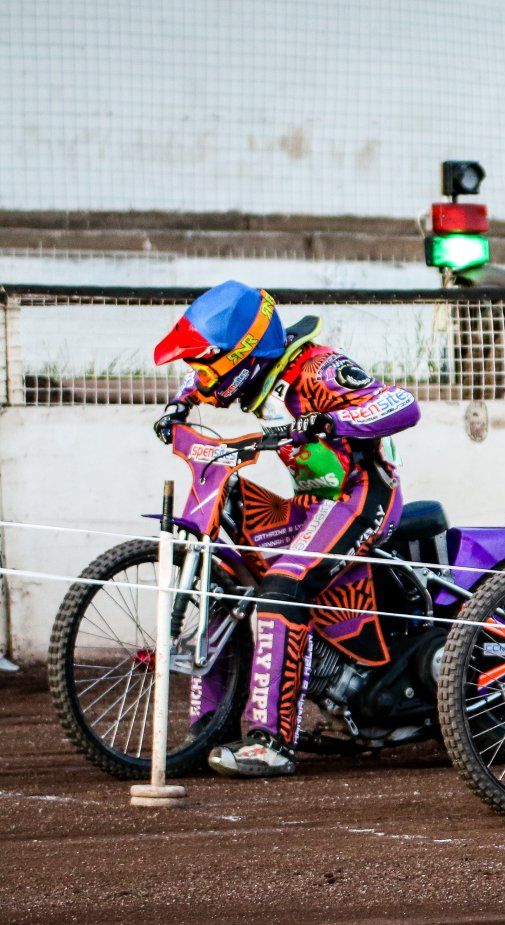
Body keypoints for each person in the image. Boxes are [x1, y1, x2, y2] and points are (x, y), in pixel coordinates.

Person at [151, 280, 419, 779]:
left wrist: (331, 422)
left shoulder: (319, 369)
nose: (203, 376)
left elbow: (401, 404)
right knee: (222, 575)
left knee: (282, 588)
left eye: (210, 363)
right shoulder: (250, 374)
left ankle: (271, 741)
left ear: (245, 354)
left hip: (361, 496)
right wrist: (178, 406)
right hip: (309, 503)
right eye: (200, 367)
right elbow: (201, 382)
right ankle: (209, 726)